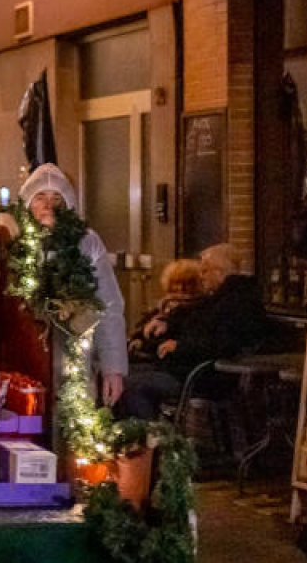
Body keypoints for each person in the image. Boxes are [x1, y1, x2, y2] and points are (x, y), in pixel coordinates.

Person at [116, 243, 269, 420]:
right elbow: (190, 317)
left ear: (219, 272)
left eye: (205, 271)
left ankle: (151, 438)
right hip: (185, 368)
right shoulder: (218, 297)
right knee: (119, 372)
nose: (201, 277)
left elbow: (222, 344)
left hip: (203, 377)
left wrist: (180, 346)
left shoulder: (237, 303)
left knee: (130, 385)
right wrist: (166, 322)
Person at [18, 164, 128, 408]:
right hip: (21, 357)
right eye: (40, 197)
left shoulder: (86, 242)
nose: (48, 205)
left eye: (56, 198)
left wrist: (113, 367)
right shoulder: (16, 242)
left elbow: (109, 304)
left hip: (73, 357)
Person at [128, 259, 203, 364]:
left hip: (166, 363)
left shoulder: (198, 309)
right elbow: (140, 329)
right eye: (176, 283)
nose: (181, 288)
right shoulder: (163, 306)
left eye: (188, 283)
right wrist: (137, 339)